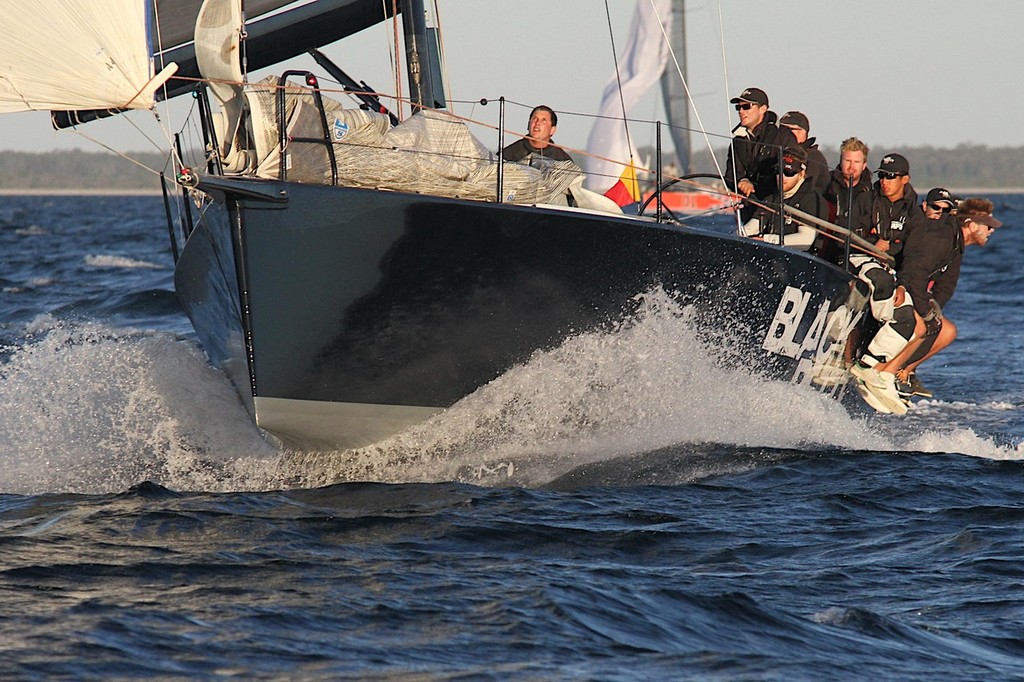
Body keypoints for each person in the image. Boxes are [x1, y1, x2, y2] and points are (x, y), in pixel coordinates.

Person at [889, 195, 1004, 399]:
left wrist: (933, 309)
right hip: (900, 289)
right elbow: (914, 272)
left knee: (946, 330)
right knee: (923, 324)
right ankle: (884, 372)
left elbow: (946, 287)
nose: (991, 231)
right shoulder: (942, 239)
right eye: (988, 226)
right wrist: (924, 310)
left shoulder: (957, 246)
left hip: (916, 294)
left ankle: (903, 373)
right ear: (971, 225)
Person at [846, 153, 928, 414]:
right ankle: (869, 367)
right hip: (860, 260)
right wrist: (873, 246)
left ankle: (870, 370)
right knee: (882, 287)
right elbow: (847, 232)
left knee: (909, 320)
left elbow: (912, 257)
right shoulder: (866, 199)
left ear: (905, 179)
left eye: (891, 177)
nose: (885, 181)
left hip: (892, 271)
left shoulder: (914, 213)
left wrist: (903, 285)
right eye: (882, 175)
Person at [724, 87, 797, 222]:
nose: (741, 111)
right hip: (749, 210)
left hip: (778, 210)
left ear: (763, 109)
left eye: (746, 107)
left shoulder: (782, 135)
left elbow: (789, 171)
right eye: (738, 108)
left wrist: (755, 186)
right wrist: (742, 181)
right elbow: (731, 174)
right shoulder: (737, 141)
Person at [741, 146, 828, 250]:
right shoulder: (771, 198)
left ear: (801, 174)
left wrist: (767, 240)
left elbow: (805, 240)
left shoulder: (812, 200)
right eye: (778, 171)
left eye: (788, 172)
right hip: (772, 257)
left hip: (801, 260)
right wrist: (738, 237)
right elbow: (753, 226)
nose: (782, 177)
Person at [817, 137, 874, 264]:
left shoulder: (871, 193)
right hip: (825, 249)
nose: (851, 166)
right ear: (841, 161)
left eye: (856, 162)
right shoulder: (826, 184)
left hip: (855, 253)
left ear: (864, 165)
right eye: (847, 161)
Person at [502, 105, 575, 167]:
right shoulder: (508, 154)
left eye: (543, 120)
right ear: (528, 125)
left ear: (552, 130)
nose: (537, 123)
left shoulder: (563, 161)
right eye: (534, 119)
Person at [779, 111, 829, 196]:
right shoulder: (780, 153)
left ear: (803, 132)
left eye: (789, 130)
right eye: (781, 129)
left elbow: (806, 189)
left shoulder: (814, 157)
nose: (783, 133)